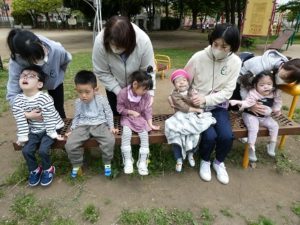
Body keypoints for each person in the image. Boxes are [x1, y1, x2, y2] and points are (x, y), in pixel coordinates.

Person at [184, 23, 242, 184]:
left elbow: (228, 91)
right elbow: (183, 82)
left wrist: (207, 99)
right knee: (209, 136)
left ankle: (218, 162)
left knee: (226, 136)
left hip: (218, 106)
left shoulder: (235, 62)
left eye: (224, 46)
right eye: (215, 44)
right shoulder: (198, 57)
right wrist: (192, 95)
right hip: (198, 108)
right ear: (211, 40)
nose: (218, 49)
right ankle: (205, 161)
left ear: (232, 46)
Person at [12, 65, 65, 187]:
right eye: (23, 75)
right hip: (34, 129)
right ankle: (35, 170)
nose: (25, 77)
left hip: (50, 127)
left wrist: (53, 134)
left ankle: (48, 169)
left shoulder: (44, 98)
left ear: (40, 84)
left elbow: (50, 117)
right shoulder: (18, 100)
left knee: (43, 150)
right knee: (26, 150)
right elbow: (20, 119)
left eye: (31, 76)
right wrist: (23, 137)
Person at [92, 15, 156, 116]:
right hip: (114, 86)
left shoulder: (143, 41)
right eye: (113, 45)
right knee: (117, 113)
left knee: (139, 115)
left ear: (130, 42)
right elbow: (102, 71)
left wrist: (150, 92)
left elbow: (147, 71)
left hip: (139, 88)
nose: (115, 50)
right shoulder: (100, 42)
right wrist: (120, 93)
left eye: (120, 47)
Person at [7, 28, 72, 119]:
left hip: (54, 81)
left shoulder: (57, 50)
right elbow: (13, 94)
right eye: (35, 59)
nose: (42, 60)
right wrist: (26, 114)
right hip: (30, 87)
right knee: (33, 112)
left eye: (42, 54)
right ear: (23, 57)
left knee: (58, 108)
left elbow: (65, 61)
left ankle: (61, 128)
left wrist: (57, 77)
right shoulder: (16, 62)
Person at [65, 70, 118, 178]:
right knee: (70, 144)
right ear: (76, 90)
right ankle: (76, 164)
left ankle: (107, 162)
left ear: (95, 90)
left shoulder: (102, 100)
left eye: (87, 92)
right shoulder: (78, 102)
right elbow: (77, 116)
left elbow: (108, 113)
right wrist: (72, 129)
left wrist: (111, 127)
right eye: (80, 92)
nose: (83, 95)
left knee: (109, 140)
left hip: (100, 124)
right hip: (82, 126)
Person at [165, 69, 216, 172]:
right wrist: (197, 109)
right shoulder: (175, 95)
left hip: (192, 116)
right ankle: (179, 158)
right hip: (181, 115)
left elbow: (200, 103)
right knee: (177, 134)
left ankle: (191, 153)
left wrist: (196, 100)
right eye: (178, 81)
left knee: (195, 133)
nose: (181, 82)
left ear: (188, 82)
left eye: (184, 80)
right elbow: (183, 107)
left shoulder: (192, 91)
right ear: (174, 85)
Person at [229, 72, 282, 161]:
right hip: (251, 116)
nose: (266, 87)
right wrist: (238, 102)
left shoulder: (274, 93)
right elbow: (247, 102)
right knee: (254, 128)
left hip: (265, 117)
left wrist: (277, 109)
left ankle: (272, 144)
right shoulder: (253, 93)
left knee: (275, 125)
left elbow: (278, 102)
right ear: (255, 85)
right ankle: (251, 147)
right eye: (262, 85)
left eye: (269, 84)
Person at [117, 69, 160, 176]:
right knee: (126, 134)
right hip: (127, 118)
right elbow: (119, 108)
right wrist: (130, 112)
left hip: (140, 119)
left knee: (144, 136)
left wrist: (150, 124)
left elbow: (147, 110)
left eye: (147, 90)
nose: (146, 92)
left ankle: (142, 162)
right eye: (144, 89)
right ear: (135, 84)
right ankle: (128, 160)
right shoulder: (123, 93)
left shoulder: (146, 95)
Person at [232, 49, 300, 115]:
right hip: (240, 81)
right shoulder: (259, 68)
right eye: (283, 77)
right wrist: (250, 105)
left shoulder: (289, 72)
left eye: (288, 81)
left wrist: (276, 108)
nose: (283, 81)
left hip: (258, 85)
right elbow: (243, 85)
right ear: (282, 66)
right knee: (236, 107)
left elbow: (277, 93)